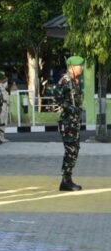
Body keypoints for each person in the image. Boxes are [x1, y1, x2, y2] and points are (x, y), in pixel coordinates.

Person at [54, 56, 85, 191]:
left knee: (75, 150)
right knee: (70, 150)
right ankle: (65, 181)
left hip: (74, 121)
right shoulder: (66, 80)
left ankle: (68, 178)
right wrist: (69, 107)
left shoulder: (75, 81)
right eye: (80, 66)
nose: (82, 68)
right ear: (72, 67)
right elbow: (57, 96)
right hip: (68, 122)